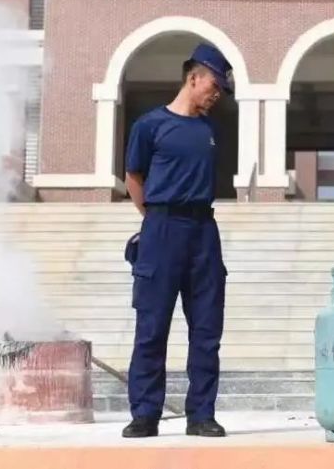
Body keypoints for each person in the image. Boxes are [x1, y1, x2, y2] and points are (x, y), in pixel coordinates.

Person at [120, 43, 234, 439]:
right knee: (152, 327)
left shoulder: (210, 130)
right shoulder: (150, 125)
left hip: (203, 230)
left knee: (206, 329)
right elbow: (134, 177)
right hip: (162, 228)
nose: (217, 95)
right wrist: (153, 220)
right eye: (214, 86)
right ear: (194, 77)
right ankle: (145, 413)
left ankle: (201, 414)